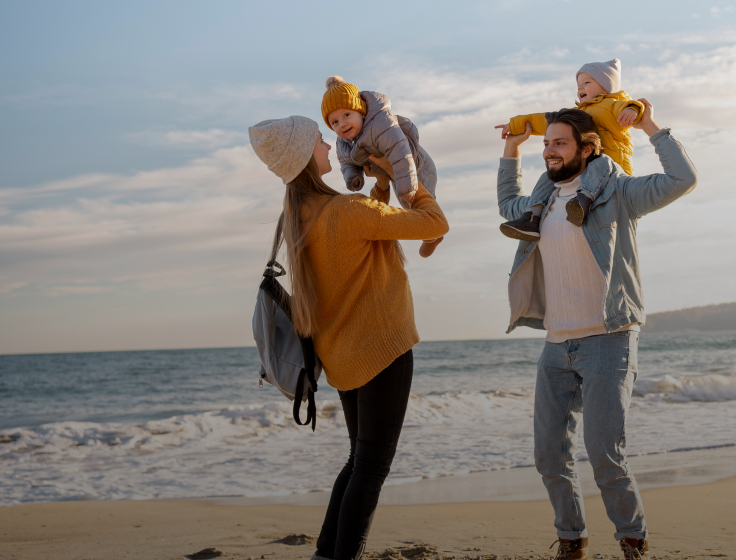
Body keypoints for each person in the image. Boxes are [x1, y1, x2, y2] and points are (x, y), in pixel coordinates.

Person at [496, 102, 697, 560]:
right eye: (546, 143)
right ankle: (571, 540)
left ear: (588, 149)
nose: (549, 150)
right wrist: (511, 149)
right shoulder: (541, 202)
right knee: (549, 455)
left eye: (559, 142)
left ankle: (632, 539)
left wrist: (649, 126)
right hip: (556, 345)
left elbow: (681, 180)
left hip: (609, 338)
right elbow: (509, 202)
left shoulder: (619, 193)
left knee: (605, 453)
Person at [248, 115, 448, 560]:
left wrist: (378, 185)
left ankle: (325, 552)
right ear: (304, 157)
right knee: (371, 467)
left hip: (341, 357)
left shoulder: (299, 217)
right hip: (382, 349)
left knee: (359, 461)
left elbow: (364, 237)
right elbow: (434, 223)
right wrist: (406, 179)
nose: (328, 144)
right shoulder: (345, 211)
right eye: (319, 140)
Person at [495, 59, 644, 239]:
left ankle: (582, 202)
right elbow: (545, 120)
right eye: (578, 84)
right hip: (584, 173)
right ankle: (532, 215)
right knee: (549, 175)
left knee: (601, 162)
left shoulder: (612, 105)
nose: (580, 88)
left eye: (587, 83)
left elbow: (631, 105)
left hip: (612, 177)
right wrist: (515, 125)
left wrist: (633, 110)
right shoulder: (578, 114)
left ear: (606, 88)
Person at [322, 76, 444, 258]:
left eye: (347, 115)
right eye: (335, 122)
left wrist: (405, 184)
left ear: (361, 112)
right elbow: (346, 161)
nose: (343, 124)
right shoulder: (344, 141)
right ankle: (431, 235)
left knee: (414, 202)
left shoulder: (380, 123)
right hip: (391, 171)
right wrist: (353, 178)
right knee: (408, 203)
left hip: (415, 165)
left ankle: (433, 236)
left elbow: (400, 151)